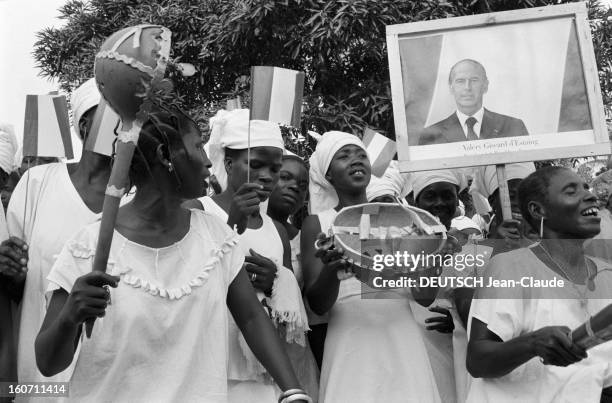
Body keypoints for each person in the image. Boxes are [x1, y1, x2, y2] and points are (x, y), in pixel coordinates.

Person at [35, 108, 311, 403]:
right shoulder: (89, 247)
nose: (207, 160)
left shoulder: (216, 237)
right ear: (164, 155)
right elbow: (49, 364)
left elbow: (253, 319)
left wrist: (294, 393)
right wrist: (70, 317)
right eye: (196, 146)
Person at [301, 131, 441, 403]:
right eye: (344, 156)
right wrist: (333, 269)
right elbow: (318, 305)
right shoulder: (317, 223)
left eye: (361, 155)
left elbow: (425, 297)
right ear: (328, 175)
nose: (356, 161)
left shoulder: (403, 220)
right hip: (350, 336)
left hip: (401, 332)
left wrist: (427, 258)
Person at [186, 109, 310, 402]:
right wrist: (231, 223)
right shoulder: (198, 210)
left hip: (264, 368)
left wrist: (276, 281)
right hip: (212, 361)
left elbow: (291, 303)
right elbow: (187, 280)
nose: (267, 176)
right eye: (255, 165)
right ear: (229, 162)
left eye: (274, 168)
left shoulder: (277, 230)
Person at [0, 78, 113, 393]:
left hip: (111, 382)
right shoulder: (37, 183)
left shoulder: (139, 196)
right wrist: (8, 268)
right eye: (112, 113)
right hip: (41, 381)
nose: (123, 126)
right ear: (86, 125)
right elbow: (14, 285)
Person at [467, 166, 612, 403]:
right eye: (571, 191)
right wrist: (533, 343)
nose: (590, 195)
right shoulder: (510, 268)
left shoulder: (607, 274)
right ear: (538, 210)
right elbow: (478, 361)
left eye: (587, 187)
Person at [267, 153, 320, 399]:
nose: (294, 188)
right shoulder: (238, 225)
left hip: (293, 347)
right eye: (285, 177)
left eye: (302, 186)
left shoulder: (305, 238)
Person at [418, 59, 529, 145]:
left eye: (474, 80)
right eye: (460, 81)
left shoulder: (514, 127)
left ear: (485, 86)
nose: (467, 87)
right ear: (451, 88)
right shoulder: (430, 135)